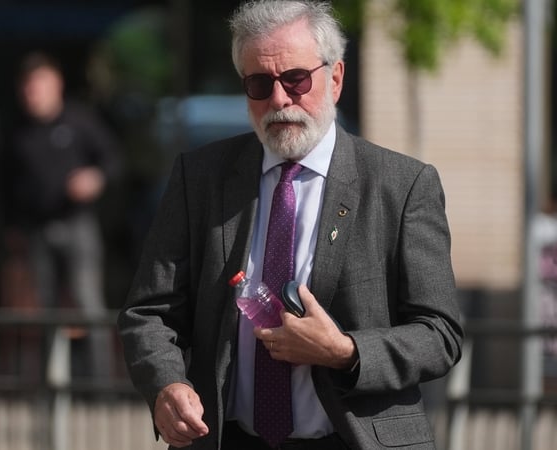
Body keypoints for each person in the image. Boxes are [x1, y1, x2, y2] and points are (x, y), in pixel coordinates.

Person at [117, 1, 464, 449]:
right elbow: (149, 312)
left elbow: (440, 333)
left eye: (296, 80)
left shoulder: (401, 186)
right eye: (259, 84)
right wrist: (166, 386)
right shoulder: (201, 177)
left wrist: (346, 352)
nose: (279, 99)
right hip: (232, 438)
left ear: (335, 78)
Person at [2, 51, 121, 381]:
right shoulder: (17, 131)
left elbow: (111, 160)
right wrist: (12, 227)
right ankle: (51, 383)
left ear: (56, 84)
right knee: (45, 308)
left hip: (77, 223)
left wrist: (94, 178)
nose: (32, 94)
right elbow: (6, 184)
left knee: (87, 303)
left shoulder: (79, 120)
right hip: (36, 229)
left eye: (38, 85)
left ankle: (99, 385)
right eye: (26, 87)